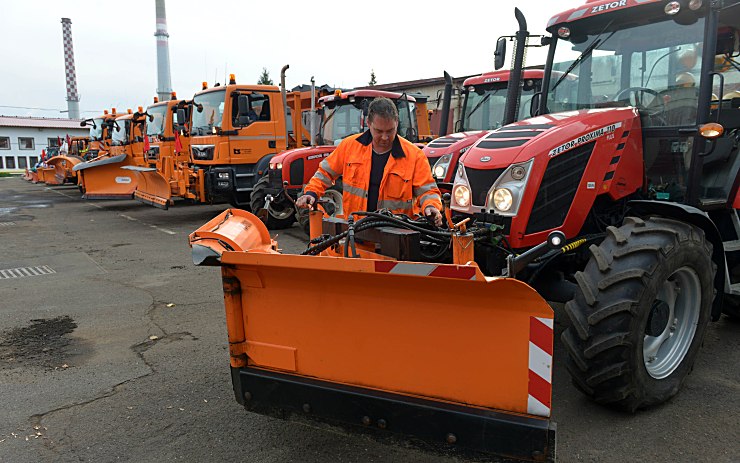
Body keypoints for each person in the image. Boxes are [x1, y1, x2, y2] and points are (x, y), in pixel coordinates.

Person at [296, 97, 443, 226]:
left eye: (390, 131)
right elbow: (325, 173)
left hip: (397, 237)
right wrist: (312, 193)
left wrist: (431, 206)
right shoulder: (349, 146)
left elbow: (428, 191)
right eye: (379, 131)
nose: (385, 137)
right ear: (368, 123)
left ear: (397, 123)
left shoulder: (414, 156)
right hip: (355, 232)